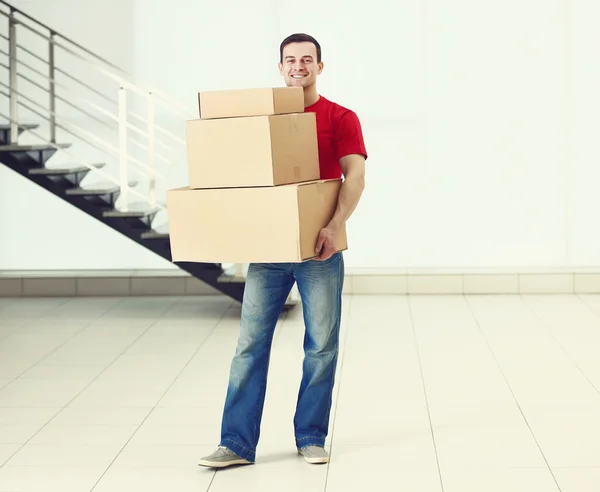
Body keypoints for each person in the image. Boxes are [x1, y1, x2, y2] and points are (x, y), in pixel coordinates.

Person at [198, 33, 367, 468]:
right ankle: (235, 443)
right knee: (249, 346)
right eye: (290, 60)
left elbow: (356, 177)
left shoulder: (340, 116)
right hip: (268, 252)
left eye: (306, 59)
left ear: (320, 67)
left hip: (320, 253)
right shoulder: (262, 119)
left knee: (321, 347)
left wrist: (334, 226)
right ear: (280, 67)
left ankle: (311, 435)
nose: (298, 66)